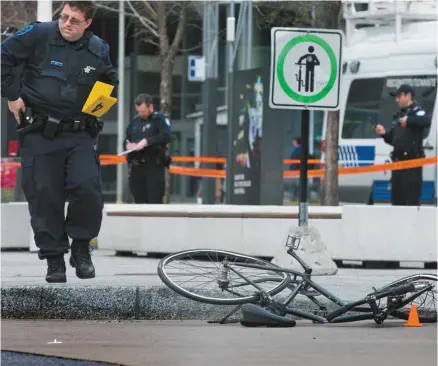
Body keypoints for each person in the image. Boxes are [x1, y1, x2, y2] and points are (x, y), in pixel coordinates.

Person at [1, 1, 118, 283]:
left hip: (79, 133)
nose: (67, 23)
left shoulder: (99, 48)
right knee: (44, 195)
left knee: (87, 189)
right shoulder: (39, 34)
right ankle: (54, 260)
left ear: (88, 23)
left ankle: (80, 248)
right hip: (40, 131)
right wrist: (11, 94)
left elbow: (109, 79)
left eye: (74, 20)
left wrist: (103, 101)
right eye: (64, 17)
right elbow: (3, 56)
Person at [373, 84, 431, 206]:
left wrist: (409, 120)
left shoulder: (417, 111)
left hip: (411, 164)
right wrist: (384, 134)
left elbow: (426, 121)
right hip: (397, 164)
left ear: (408, 96)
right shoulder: (399, 114)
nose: (397, 99)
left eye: (399, 96)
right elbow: (395, 140)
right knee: (397, 201)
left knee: (411, 202)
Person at [124, 93, 171, 204]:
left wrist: (147, 141)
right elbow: (127, 138)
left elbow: (166, 136)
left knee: (154, 202)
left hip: (153, 166)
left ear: (150, 107)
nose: (141, 114)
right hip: (137, 167)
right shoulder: (135, 122)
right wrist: (128, 145)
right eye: (138, 111)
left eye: (143, 111)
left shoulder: (159, 119)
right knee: (138, 201)